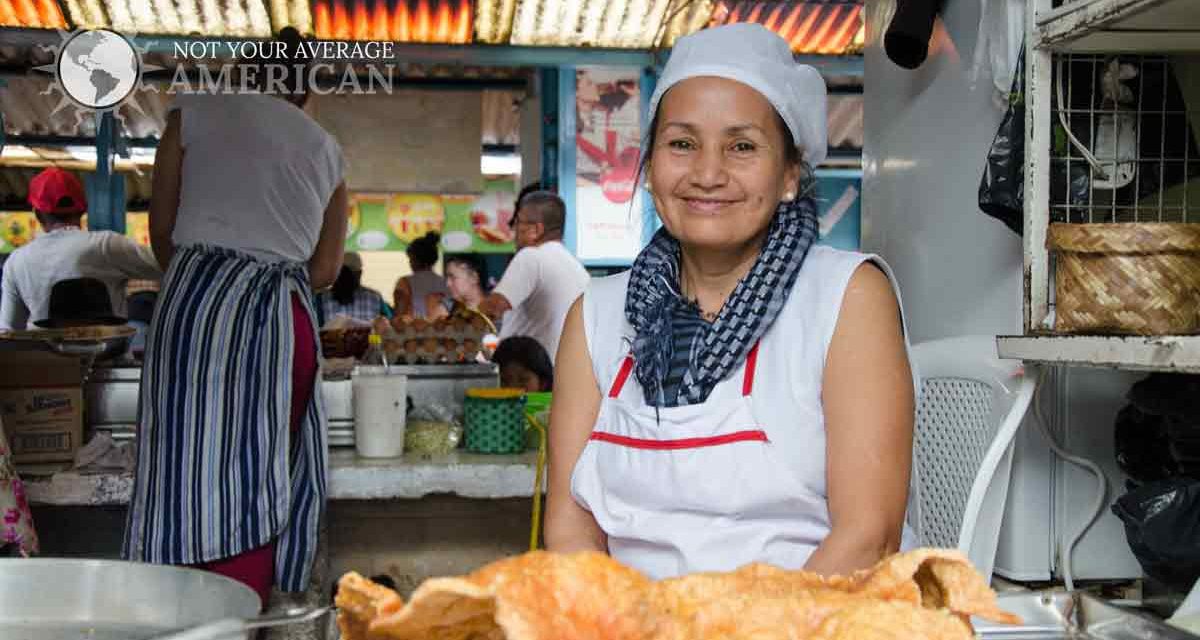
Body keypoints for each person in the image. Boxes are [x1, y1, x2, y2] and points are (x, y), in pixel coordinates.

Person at [545, 23, 919, 580]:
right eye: (682, 144)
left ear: (790, 173)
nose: (708, 173)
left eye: (742, 146)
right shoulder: (596, 314)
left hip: (817, 618)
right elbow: (571, 529)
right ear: (649, 169)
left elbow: (868, 537)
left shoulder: (847, 298)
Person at [124, 26, 347, 608]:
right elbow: (324, 271)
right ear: (305, 89)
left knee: (182, 467)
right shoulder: (326, 149)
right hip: (282, 319)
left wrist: (204, 286)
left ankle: (175, 614)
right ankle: (243, 613)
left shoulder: (191, 115)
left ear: (247, 72)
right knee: (261, 469)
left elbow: (162, 234)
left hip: (196, 307)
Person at [0, 167, 160, 330]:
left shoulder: (15, 262)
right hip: (108, 352)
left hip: (43, 354)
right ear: (83, 208)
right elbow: (167, 264)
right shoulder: (106, 245)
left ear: (38, 214)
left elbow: (9, 331)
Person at [479, 191, 590, 359]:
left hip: (528, 375)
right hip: (562, 374)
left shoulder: (531, 257)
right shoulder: (577, 269)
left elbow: (492, 309)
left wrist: (452, 325)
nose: (514, 231)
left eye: (517, 223)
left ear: (535, 230)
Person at [315, 252, 389, 325]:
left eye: (349, 275)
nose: (345, 280)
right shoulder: (320, 299)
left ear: (359, 275)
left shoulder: (374, 298)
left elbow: (388, 325)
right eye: (342, 274)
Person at [393, 231, 449, 319]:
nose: (410, 262)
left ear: (415, 259)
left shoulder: (404, 283)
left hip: (414, 331)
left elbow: (399, 317)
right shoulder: (448, 284)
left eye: (410, 259)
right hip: (444, 331)